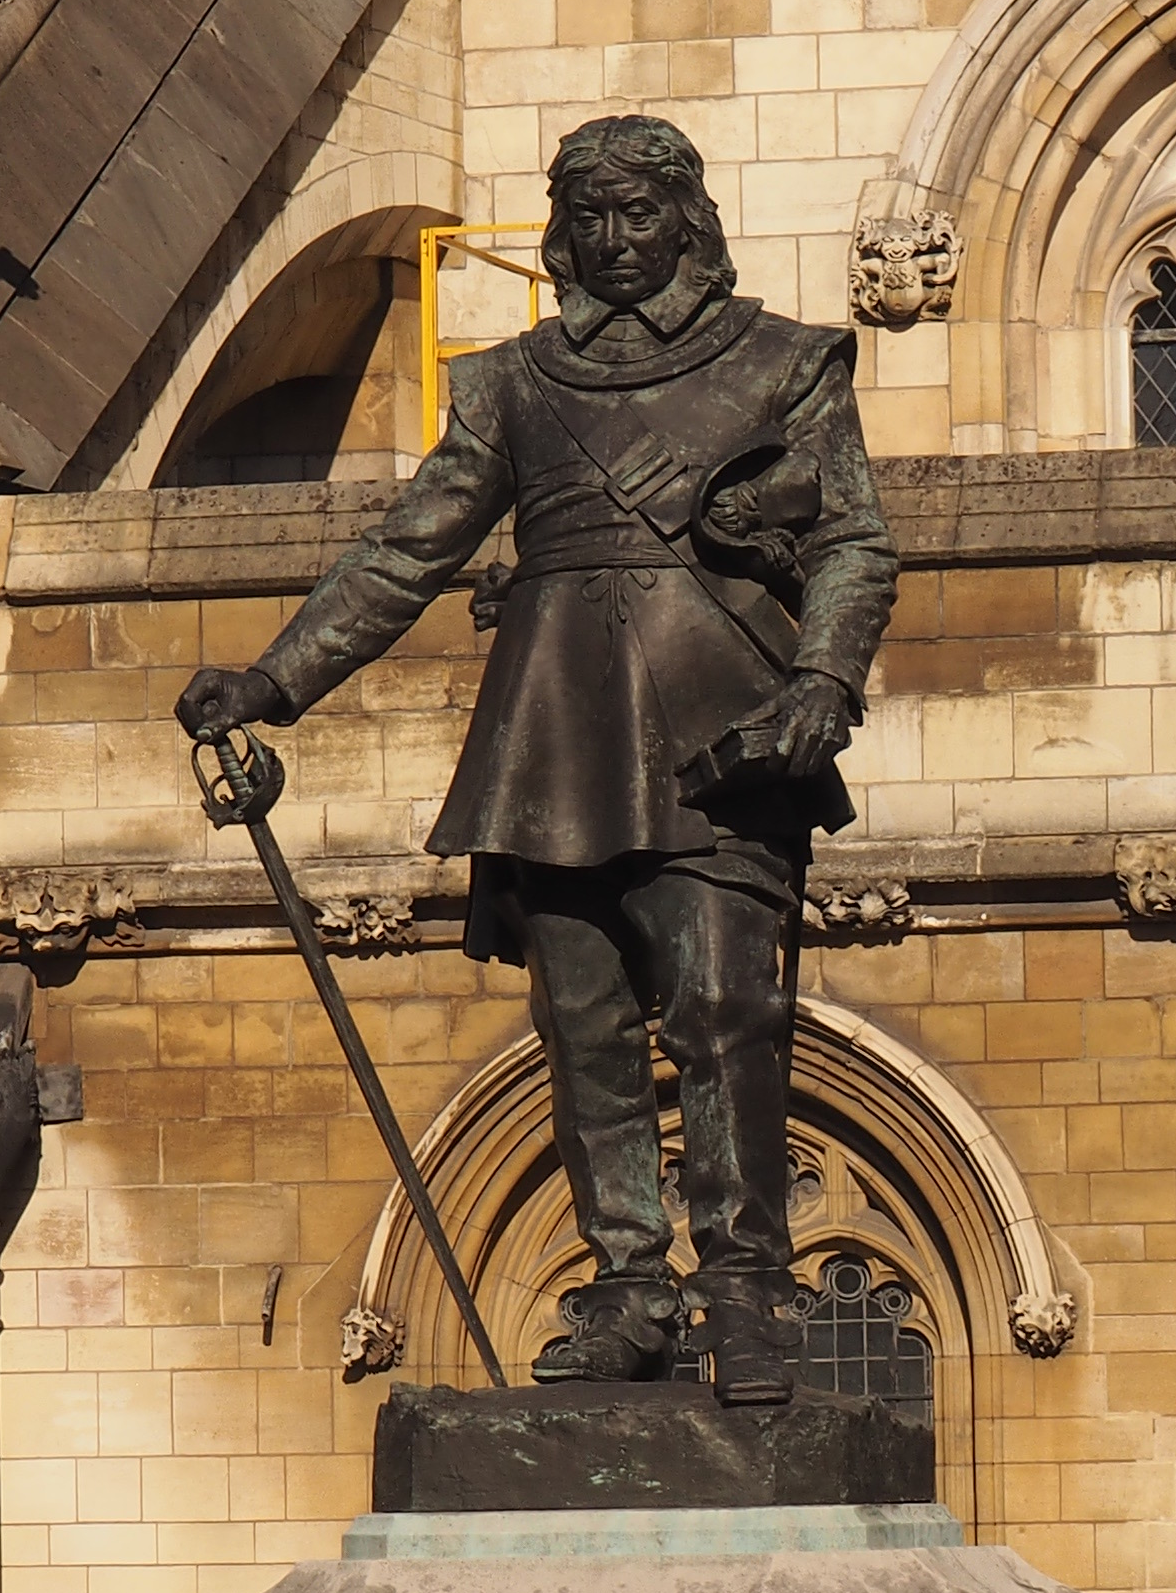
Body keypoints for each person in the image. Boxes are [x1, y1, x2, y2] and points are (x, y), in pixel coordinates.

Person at [175, 115, 899, 1404]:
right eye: (593, 217)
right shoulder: (511, 383)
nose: (617, 242)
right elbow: (406, 552)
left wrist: (823, 681)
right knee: (584, 1026)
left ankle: (746, 1292)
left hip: (720, 735)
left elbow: (853, 541)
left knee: (726, 1011)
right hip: (557, 734)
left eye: (642, 214)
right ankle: (628, 1292)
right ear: (564, 232)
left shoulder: (784, 364)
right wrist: (275, 680)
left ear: (689, 222)